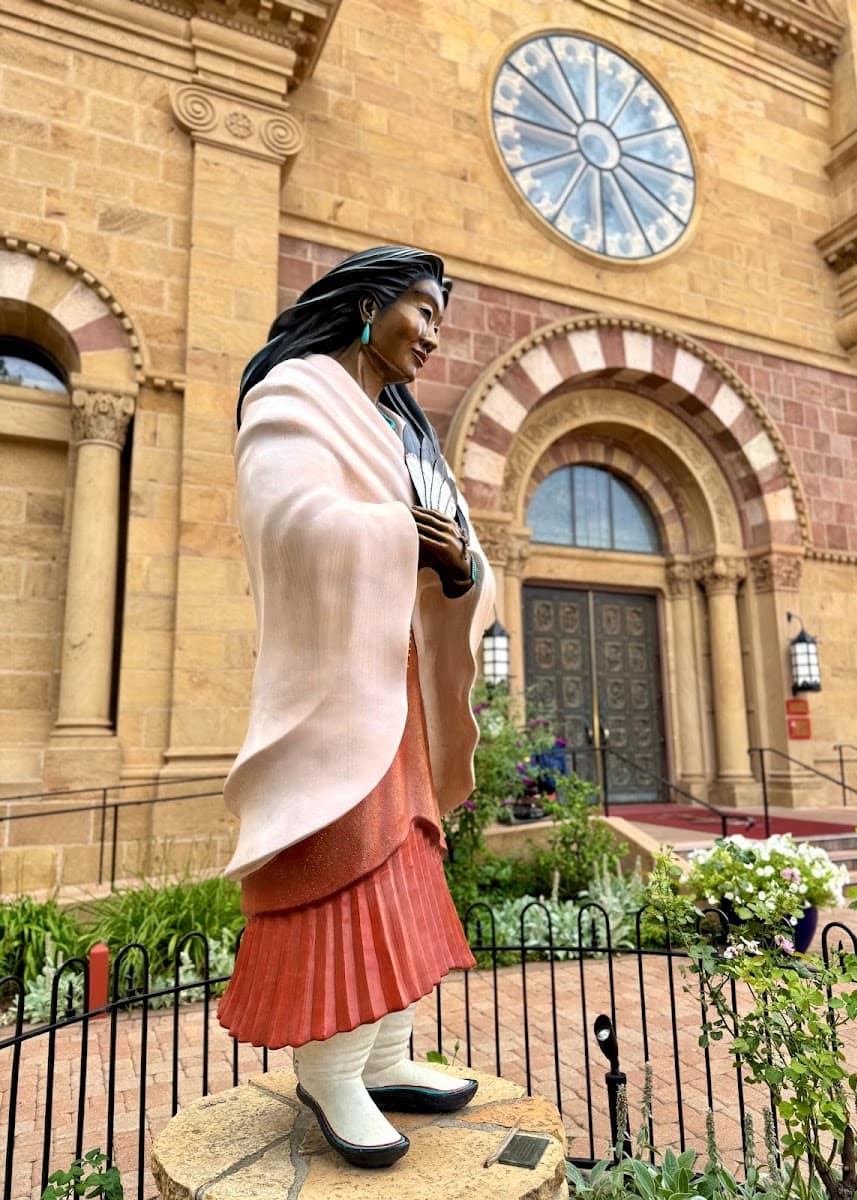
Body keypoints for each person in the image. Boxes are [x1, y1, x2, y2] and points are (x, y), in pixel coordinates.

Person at [216, 246, 496, 1169]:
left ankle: (386, 1056)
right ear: (369, 307)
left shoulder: (403, 429)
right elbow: (285, 522)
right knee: (349, 862)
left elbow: (455, 547)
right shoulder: (295, 394)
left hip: (399, 692)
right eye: (423, 311)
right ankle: (330, 1072)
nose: (431, 338)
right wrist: (393, 535)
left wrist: (458, 565)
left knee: (405, 862)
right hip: (337, 699)